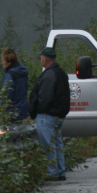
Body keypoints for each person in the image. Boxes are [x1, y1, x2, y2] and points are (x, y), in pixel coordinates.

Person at [29, 46, 71, 181]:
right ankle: (60, 171)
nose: (40, 59)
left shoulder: (48, 75)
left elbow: (45, 98)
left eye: (41, 57)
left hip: (47, 115)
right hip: (59, 116)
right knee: (57, 143)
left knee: (48, 145)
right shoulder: (61, 73)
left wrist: (38, 110)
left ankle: (51, 172)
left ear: (45, 58)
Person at [1, 48, 29, 122]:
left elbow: (7, 94)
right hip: (23, 109)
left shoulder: (9, 75)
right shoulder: (23, 73)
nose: (2, 63)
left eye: (3, 60)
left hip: (12, 111)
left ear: (8, 62)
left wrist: (2, 107)